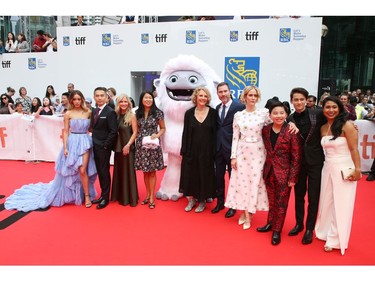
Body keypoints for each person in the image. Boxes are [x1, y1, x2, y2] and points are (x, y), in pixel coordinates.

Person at [4, 90, 97, 211]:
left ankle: (86, 195)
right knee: (74, 170)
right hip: (72, 142)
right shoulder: (68, 113)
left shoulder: (88, 112)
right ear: (71, 101)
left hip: (85, 142)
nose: (77, 101)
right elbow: (65, 131)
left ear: (82, 100)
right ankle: (78, 193)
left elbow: (90, 128)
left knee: (83, 169)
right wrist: (65, 147)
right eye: (75, 99)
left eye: (79, 99)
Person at [315, 96, 361, 255]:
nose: (331, 110)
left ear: (340, 108)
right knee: (326, 202)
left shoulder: (347, 126)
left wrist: (358, 169)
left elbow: (354, 149)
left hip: (344, 168)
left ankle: (334, 240)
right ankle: (324, 232)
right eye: (327, 107)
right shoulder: (323, 128)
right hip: (327, 168)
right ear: (323, 109)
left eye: (334, 107)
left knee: (340, 205)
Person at [224, 86, 271, 230]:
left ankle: (250, 213)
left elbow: (276, 125)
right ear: (244, 97)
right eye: (250, 95)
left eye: (255, 95)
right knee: (242, 182)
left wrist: (291, 123)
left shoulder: (263, 113)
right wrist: (233, 157)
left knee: (255, 182)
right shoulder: (239, 115)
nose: (252, 98)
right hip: (242, 152)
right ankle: (245, 212)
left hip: (258, 152)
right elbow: (235, 137)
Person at [257, 101, 303, 245]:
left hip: (285, 174)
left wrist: (292, 177)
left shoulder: (291, 131)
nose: (278, 116)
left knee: (281, 203)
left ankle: (277, 231)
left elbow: (296, 157)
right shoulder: (265, 130)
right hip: (269, 171)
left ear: (286, 115)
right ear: (270, 115)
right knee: (272, 201)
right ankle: (270, 223)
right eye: (275, 113)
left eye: (281, 113)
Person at [287, 87, 326, 245]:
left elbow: (334, 121)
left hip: (316, 161)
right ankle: (299, 224)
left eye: (301, 99)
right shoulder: (289, 118)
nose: (299, 102)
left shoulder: (317, 114)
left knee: (313, 196)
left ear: (307, 100)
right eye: (296, 99)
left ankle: (310, 228)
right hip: (298, 163)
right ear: (291, 101)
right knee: (299, 195)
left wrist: (348, 126)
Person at [179, 87, 217, 213]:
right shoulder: (189, 113)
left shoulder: (213, 113)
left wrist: (214, 151)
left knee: (204, 174)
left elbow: (215, 133)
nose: (203, 98)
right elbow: (185, 133)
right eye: (200, 95)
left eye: (205, 96)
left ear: (208, 98)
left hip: (207, 151)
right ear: (196, 97)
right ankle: (191, 200)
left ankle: (202, 200)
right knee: (191, 174)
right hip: (191, 150)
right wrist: (184, 150)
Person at [211, 82, 245, 217]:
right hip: (218, 149)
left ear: (230, 92)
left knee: (233, 178)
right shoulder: (217, 107)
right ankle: (220, 202)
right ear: (217, 94)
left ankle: (232, 205)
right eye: (220, 92)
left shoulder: (240, 107)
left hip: (233, 150)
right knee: (218, 177)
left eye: (225, 91)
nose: (223, 94)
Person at [134, 91, 166, 209]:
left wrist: (157, 135)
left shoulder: (158, 113)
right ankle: (147, 195)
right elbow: (136, 130)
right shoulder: (137, 113)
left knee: (152, 172)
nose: (148, 100)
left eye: (150, 98)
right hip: (141, 145)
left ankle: (152, 196)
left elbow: (163, 128)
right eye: (146, 98)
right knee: (145, 171)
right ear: (141, 100)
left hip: (153, 145)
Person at [90, 87, 118, 210]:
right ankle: (102, 195)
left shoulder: (110, 111)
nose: (100, 98)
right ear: (94, 97)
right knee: (100, 172)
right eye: (97, 95)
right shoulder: (94, 111)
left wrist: (105, 145)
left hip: (103, 147)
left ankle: (106, 197)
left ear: (107, 98)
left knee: (104, 172)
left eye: (102, 95)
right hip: (94, 146)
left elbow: (113, 131)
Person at [111, 94, 139, 206]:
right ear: (118, 103)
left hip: (128, 146)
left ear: (129, 103)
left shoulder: (132, 115)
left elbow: (135, 132)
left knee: (128, 172)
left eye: (125, 102)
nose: (123, 104)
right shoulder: (116, 115)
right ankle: (119, 195)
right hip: (118, 146)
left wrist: (128, 145)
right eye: (121, 102)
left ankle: (130, 197)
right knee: (119, 171)